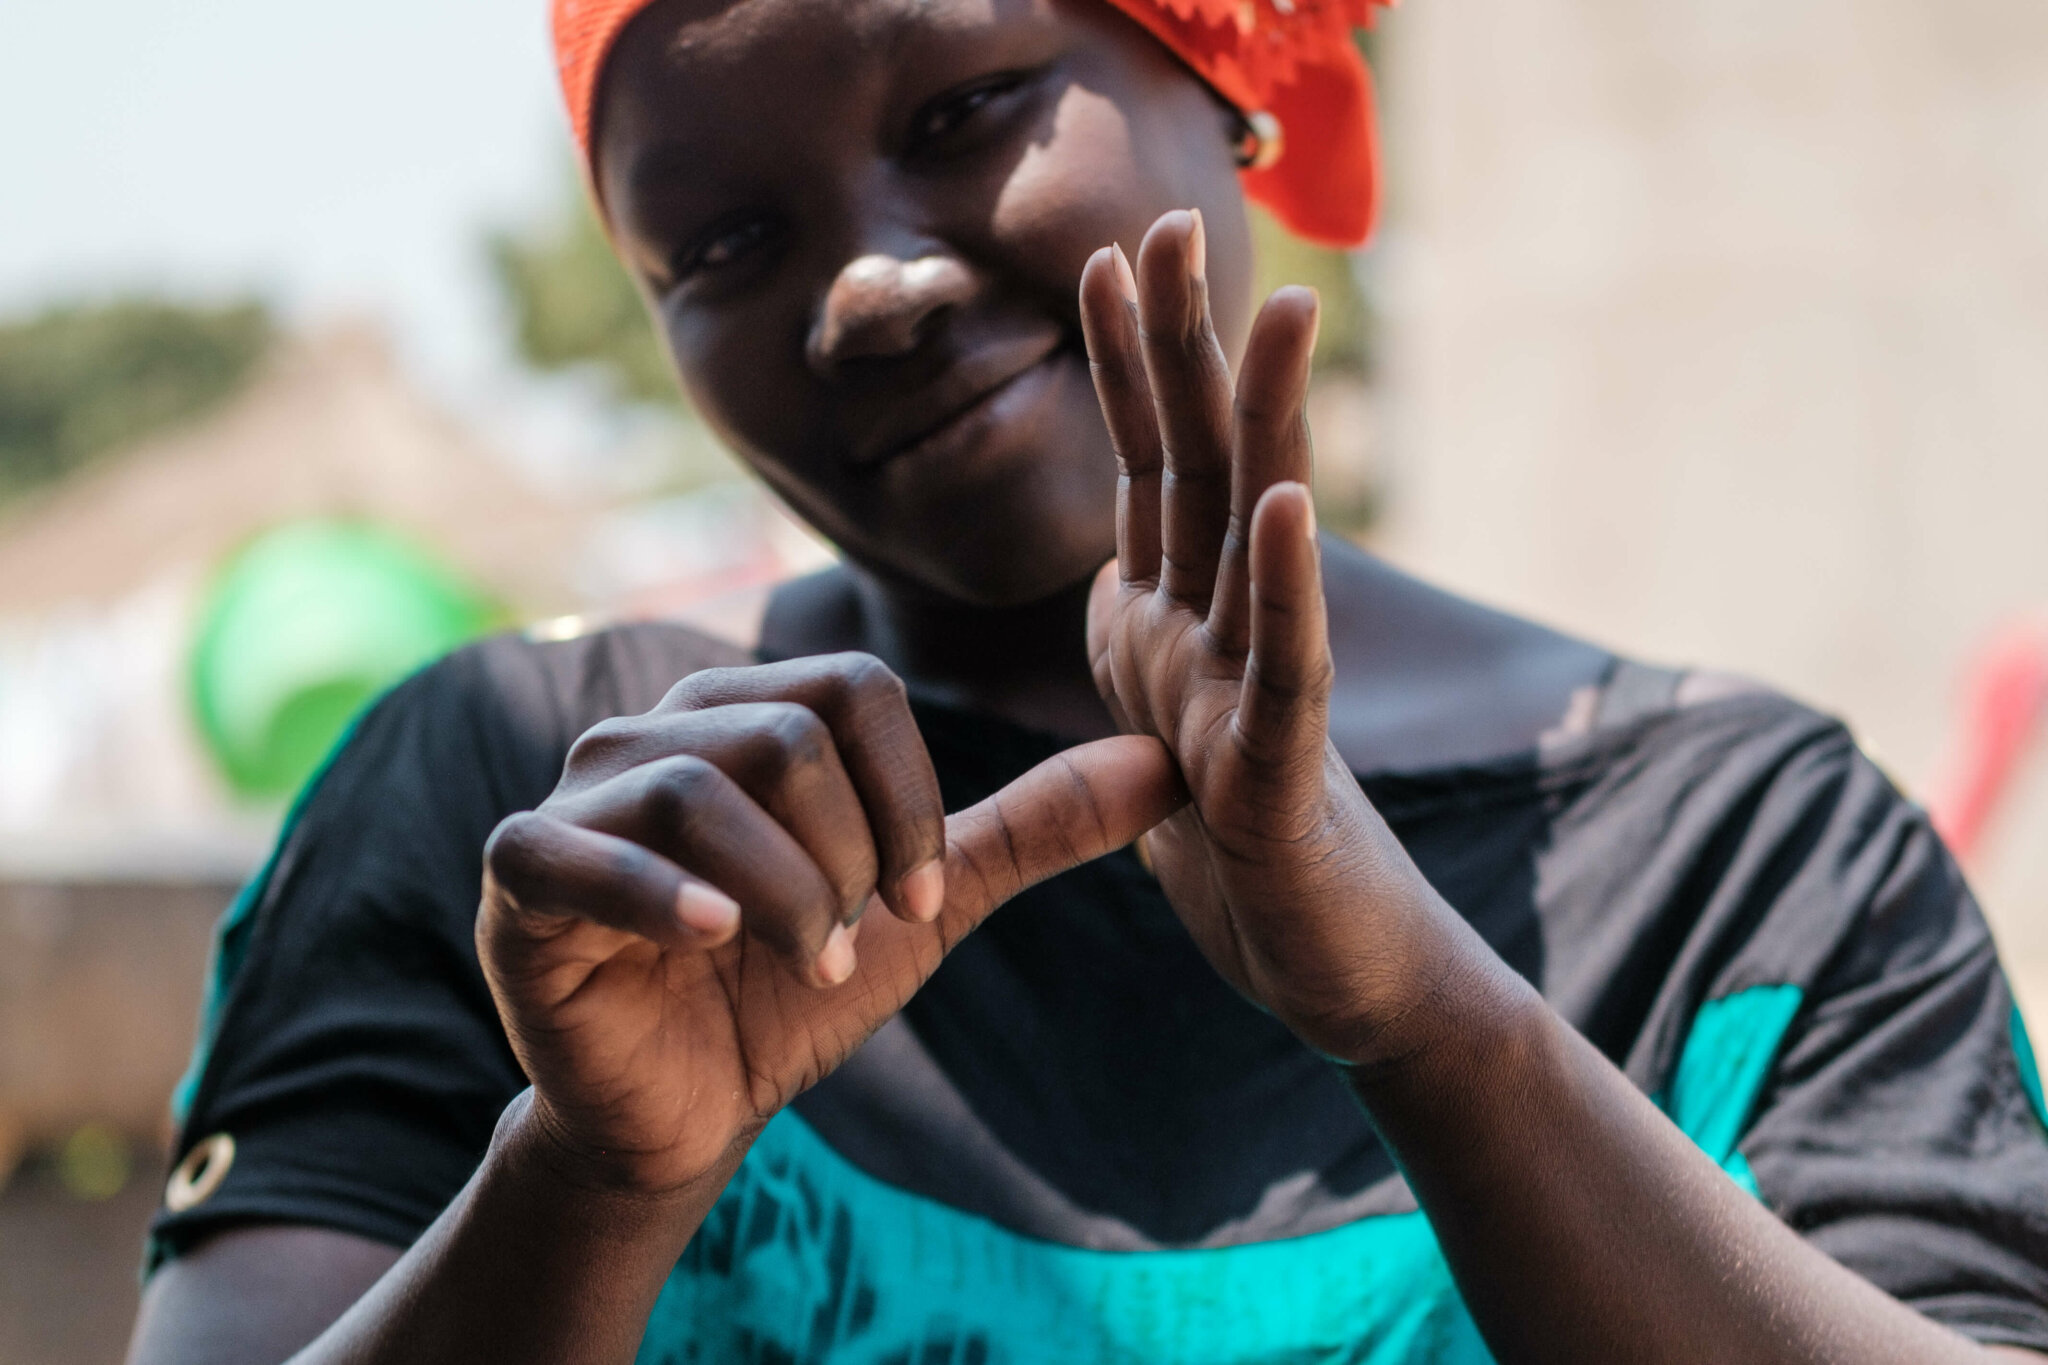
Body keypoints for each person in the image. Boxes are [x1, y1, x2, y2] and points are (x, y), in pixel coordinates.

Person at [126, 1, 2048, 1361]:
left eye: (965, 108)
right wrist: (588, 1177)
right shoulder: (546, 832)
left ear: (1223, 69)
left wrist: (1434, 1025)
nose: (865, 283)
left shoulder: (1747, 849)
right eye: (719, 239)